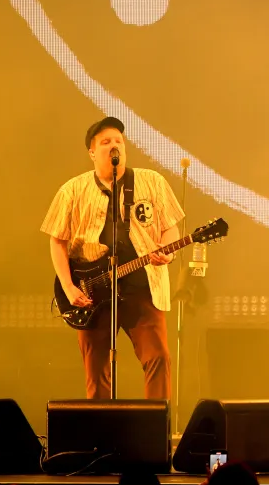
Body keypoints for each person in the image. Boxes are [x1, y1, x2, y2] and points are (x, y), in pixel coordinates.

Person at [42, 116, 183, 400]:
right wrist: (68, 287)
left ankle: (156, 422)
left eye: (118, 140)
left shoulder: (152, 182)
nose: (114, 145)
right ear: (92, 152)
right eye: (106, 142)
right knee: (96, 370)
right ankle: (100, 426)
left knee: (158, 357)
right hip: (92, 290)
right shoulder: (72, 190)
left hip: (143, 287)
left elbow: (170, 227)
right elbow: (57, 240)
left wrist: (168, 251)